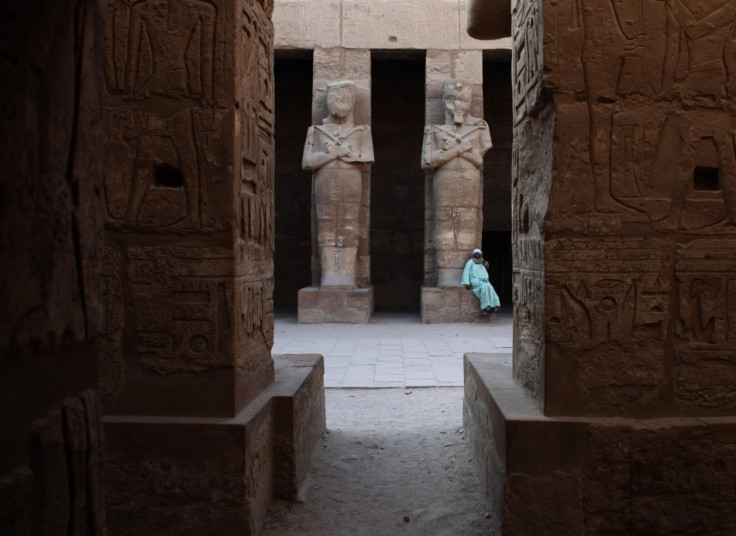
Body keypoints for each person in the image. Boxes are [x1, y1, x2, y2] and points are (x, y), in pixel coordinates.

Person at [302, 80, 374, 287]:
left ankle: (347, 274)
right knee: (326, 224)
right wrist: (330, 155)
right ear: (328, 102)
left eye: (344, 99)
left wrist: (348, 154)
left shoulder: (361, 130)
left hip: (351, 181)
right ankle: (330, 274)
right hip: (326, 182)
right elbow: (308, 162)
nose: (339, 103)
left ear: (352, 101)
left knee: (350, 224)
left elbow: (367, 156)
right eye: (335, 99)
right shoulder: (316, 130)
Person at [461, 248, 500, 315]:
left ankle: (494, 305)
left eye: (478, 254)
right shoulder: (470, 262)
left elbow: (487, 267)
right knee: (485, 287)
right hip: (476, 281)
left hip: (484, 281)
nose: (477, 255)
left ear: (481, 255)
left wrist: (484, 263)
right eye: (475, 254)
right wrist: (466, 283)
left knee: (490, 287)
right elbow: (466, 272)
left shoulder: (482, 262)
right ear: (473, 255)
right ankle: (484, 308)